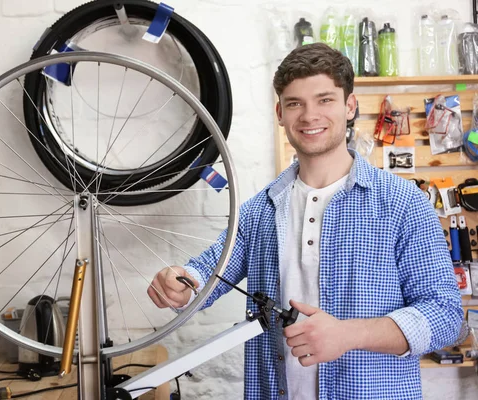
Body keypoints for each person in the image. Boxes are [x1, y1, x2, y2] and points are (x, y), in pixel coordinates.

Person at [147, 43, 463, 400]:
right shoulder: (260, 209)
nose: (310, 116)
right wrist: (179, 284)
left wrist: (348, 335)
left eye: (325, 100)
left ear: (350, 106)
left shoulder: (404, 204)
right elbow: (206, 274)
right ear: (280, 112)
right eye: (295, 103)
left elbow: (446, 317)